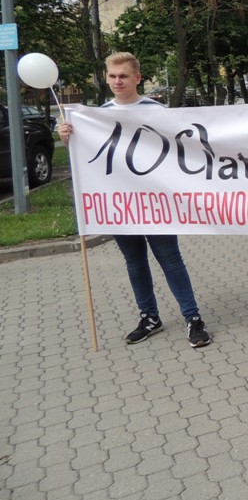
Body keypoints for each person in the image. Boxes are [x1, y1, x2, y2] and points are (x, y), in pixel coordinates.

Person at [58, 52, 211, 348]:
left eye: (124, 76)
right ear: (107, 78)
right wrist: (68, 137)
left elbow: (179, 149)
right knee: (135, 262)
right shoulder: (96, 116)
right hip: (119, 203)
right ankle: (149, 317)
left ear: (137, 78)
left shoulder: (156, 110)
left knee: (170, 260)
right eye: (113, 76)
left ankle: (193, 318)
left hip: (155, 202)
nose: (117, 81)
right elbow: (86, 155)